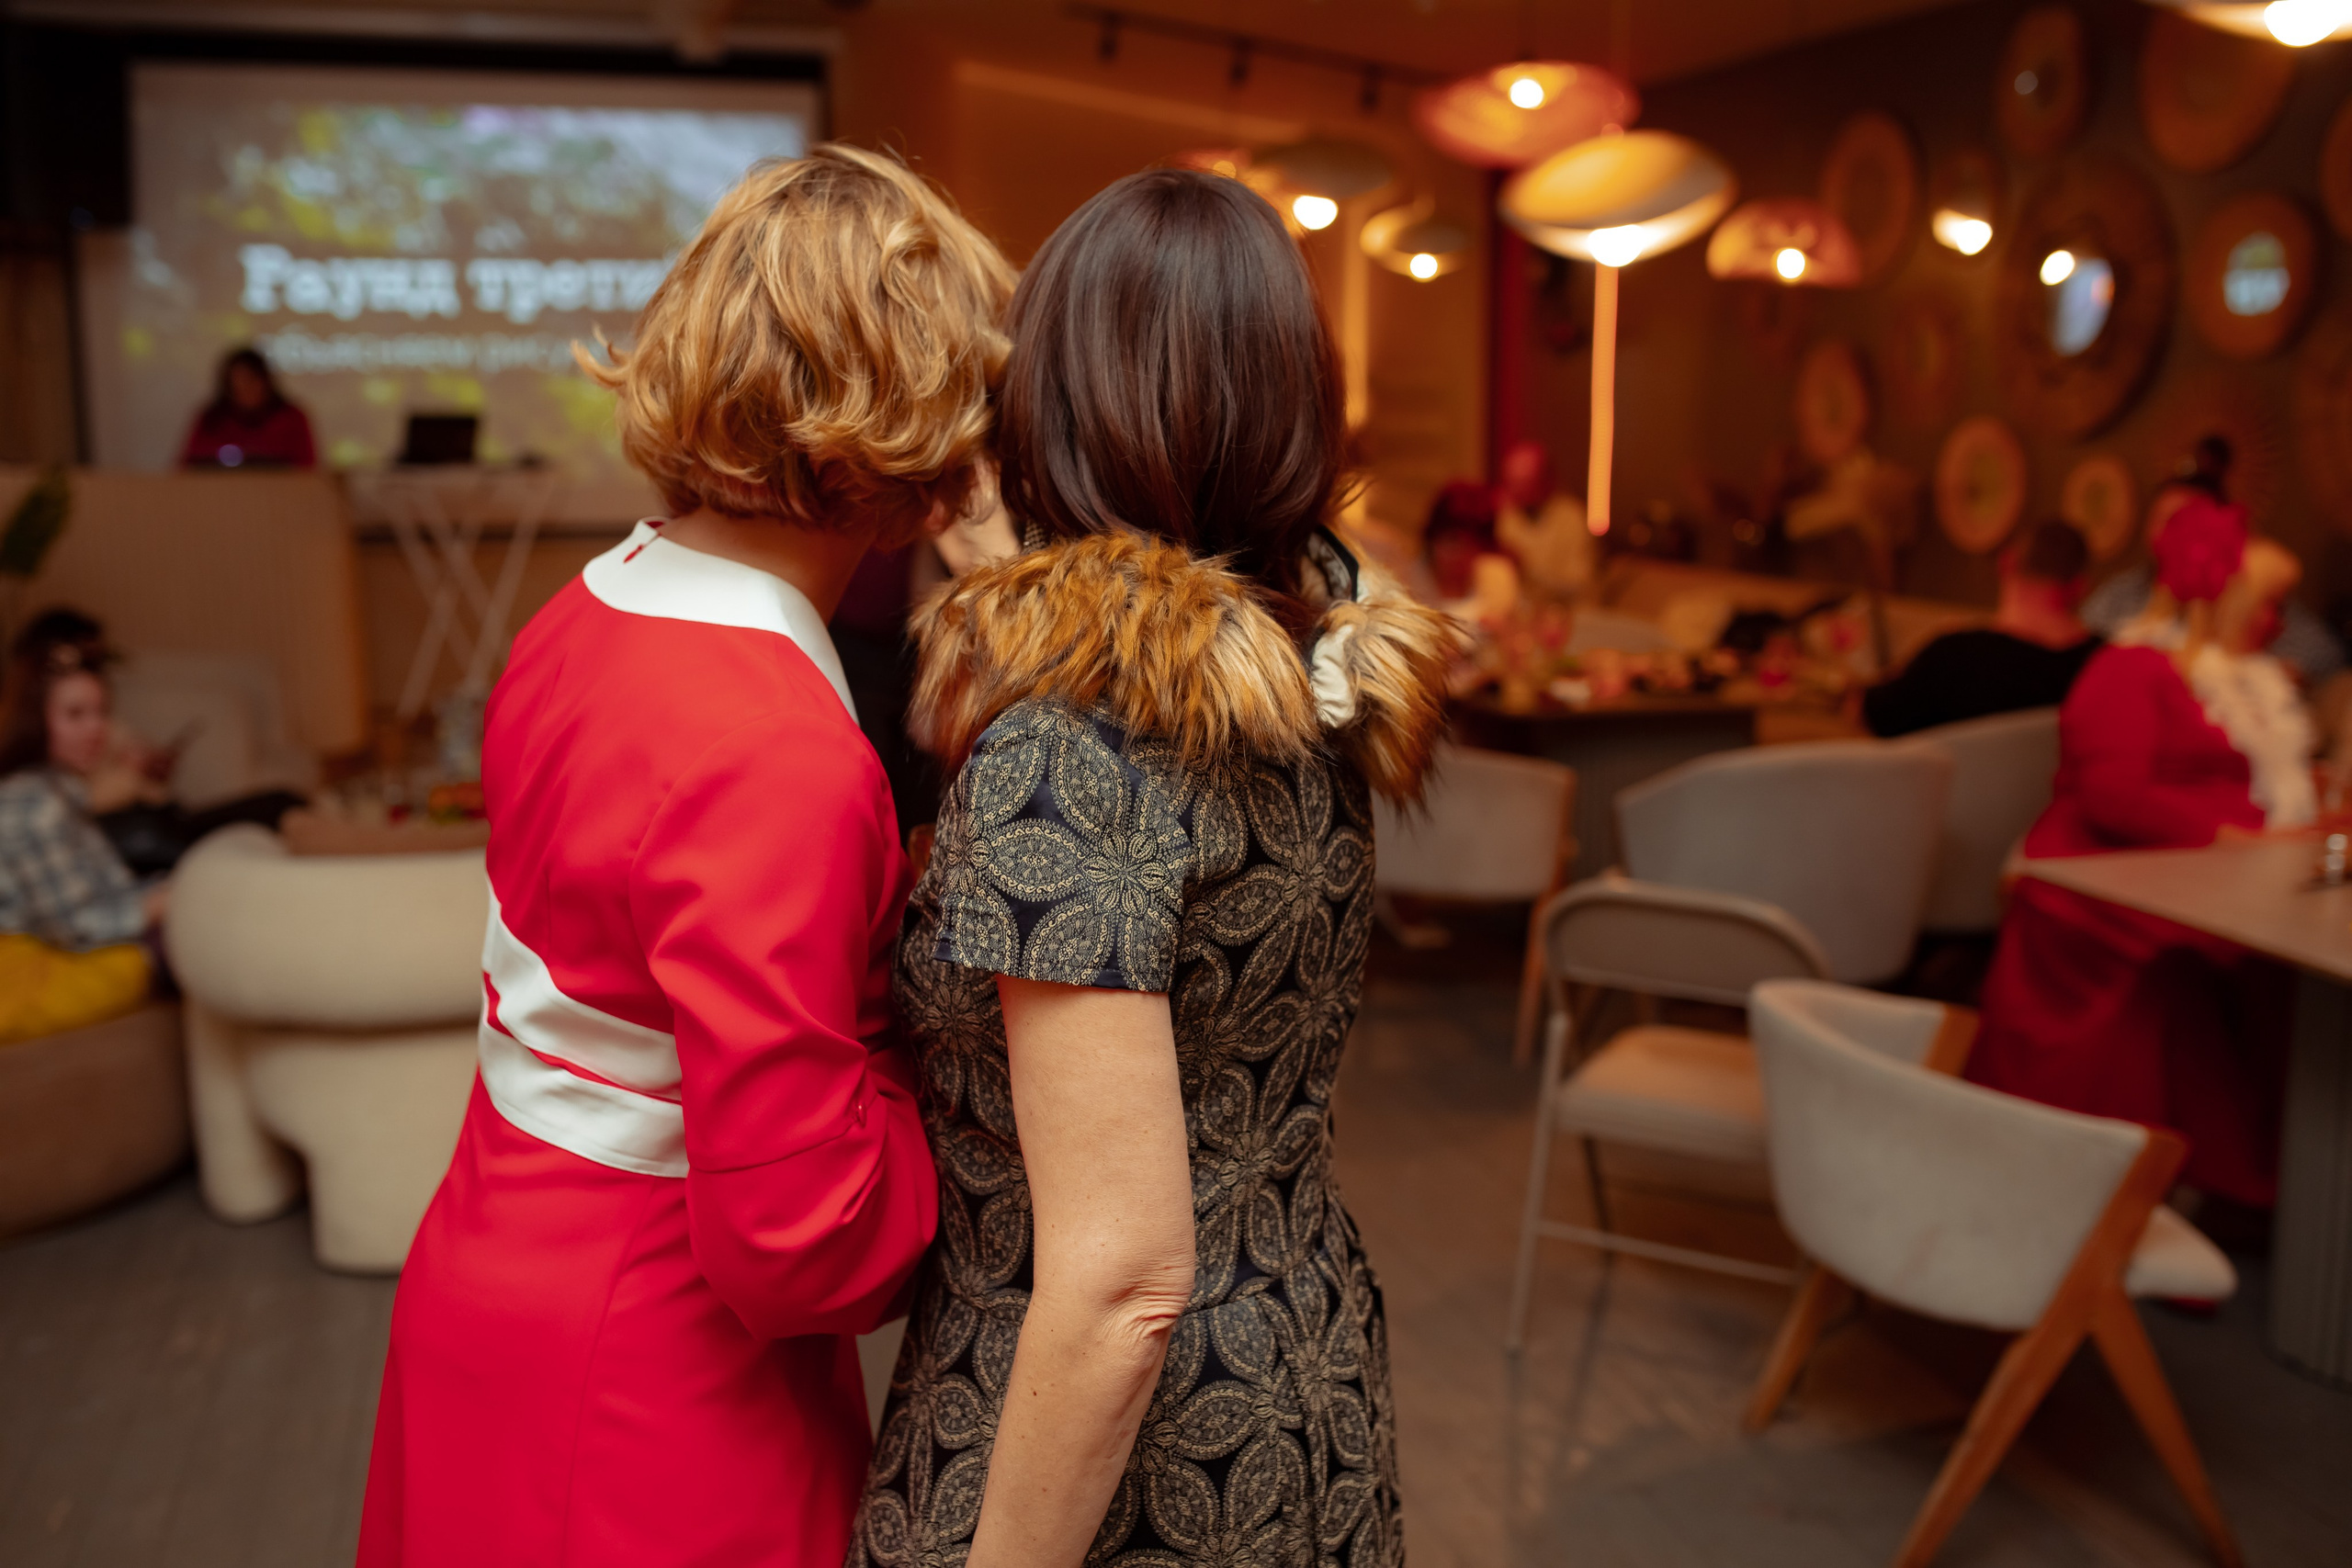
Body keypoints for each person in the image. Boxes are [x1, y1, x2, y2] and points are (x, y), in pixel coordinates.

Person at [356, 145, 1013, 1568]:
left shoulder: (587, 608)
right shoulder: (776, 740)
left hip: (495, 1256)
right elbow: (802, 1234)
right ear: (904, 431)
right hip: (654, 1371)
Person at [850, 168, 1460, 1568]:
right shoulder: (1313, 681)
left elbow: (1124, 1281)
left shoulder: (1070, 757)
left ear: (1048, 405)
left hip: (1111, 1444)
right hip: (1303, 1364)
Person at [1968, 496, 2312, 1211]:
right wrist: (2238, 841)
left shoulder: (2245, 680)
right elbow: (2113, 796)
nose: (2278, 622)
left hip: (2211, 881)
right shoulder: (2129, 668)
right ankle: (2170, 1187)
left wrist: (2319, 831)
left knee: (2286, 963)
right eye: (2269, 604)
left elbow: (2273, 792)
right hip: (2103, 893)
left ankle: (2275, 1185)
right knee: (2222, 963)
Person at [0, 622, 164, 1041]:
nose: (96, 728)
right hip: (27, 976)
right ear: (36, 720)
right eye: (75, 715)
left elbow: (102, 893)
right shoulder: (34, 805)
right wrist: (161, 905)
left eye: (101, 712)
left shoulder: (58, 791)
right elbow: (75, 929)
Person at [2082, 436, 2346, 684]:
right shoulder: (2118, 598)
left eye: (2183, 521)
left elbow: (2325, 655)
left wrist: (2265, 676)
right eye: (2160, 520)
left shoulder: (2252, 598)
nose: (2168, 534)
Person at [1860, 518, 2101, 737]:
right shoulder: (2104, 663)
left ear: (2006, 562)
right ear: (2081, 586)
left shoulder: (1954, 658)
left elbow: (1872, 715)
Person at [179, 346, 316, 469]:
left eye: (250, 380)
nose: (243, 389)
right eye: (236, 383)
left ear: (265, 381)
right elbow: (187, 469)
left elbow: (307, 471)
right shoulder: (211, 420)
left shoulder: (291, 418)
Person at [1494, 436, 1594, 603]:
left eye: (1524, 484)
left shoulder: (1572, 517)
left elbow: (1578, 585)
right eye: (1512, 484)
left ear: (1546, 481)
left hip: (1561, 616)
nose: (1516, 493)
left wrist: (1526, 569)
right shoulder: (1503, 513)